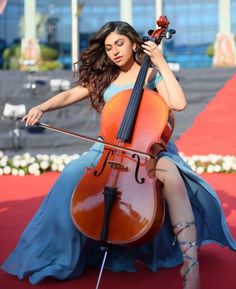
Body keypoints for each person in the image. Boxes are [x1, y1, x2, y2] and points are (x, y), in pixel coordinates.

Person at [1, 21, 236, 289]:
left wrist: (160, 62)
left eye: (119, 44)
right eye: (109, 47)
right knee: (71, 174)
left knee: (172, 176)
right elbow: (70, 94)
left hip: (147, 148)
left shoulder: (150, 74)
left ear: (134, 43)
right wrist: (42, 107)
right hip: (107, 148)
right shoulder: (107, 77)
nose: (114, 51)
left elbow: (178, 104)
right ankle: (60, 252)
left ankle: (190, 265)